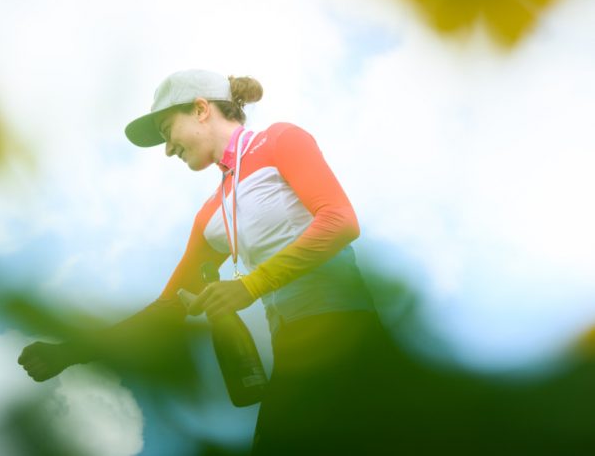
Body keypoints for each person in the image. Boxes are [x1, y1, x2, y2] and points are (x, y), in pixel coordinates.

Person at [20, 69, 390, 455]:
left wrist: (249, 286)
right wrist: (70, 352)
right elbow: (167, 310)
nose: (166, 149)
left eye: (166, 132)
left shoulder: (279, 139)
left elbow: (340, 221)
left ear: (200, 110)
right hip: (293, 360)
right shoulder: (211, 215)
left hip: (352, 334)